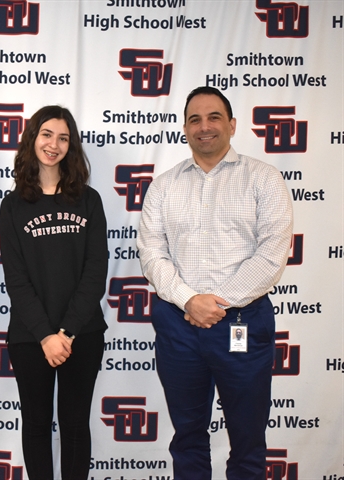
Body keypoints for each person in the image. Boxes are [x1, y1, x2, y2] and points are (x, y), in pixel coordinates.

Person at [138, 86, 293, 479]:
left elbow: (272, 254)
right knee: (187, 437)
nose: (204, 127)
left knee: (247, 439)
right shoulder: (164, 186)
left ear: (232, 125)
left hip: (244, 322)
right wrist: (190, 301)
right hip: (178, 326)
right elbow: (152, 254)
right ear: (185, 129)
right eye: (194, 119)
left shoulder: (264, 178)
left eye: (213, 117)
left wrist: (215, 303)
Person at [0, 105, 108, 480]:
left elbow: (96, 272)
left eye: (63, 138)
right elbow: (16, 279)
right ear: (33, 139)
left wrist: (66, 333)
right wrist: (46, 334)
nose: (54, 144)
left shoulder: (89, 200)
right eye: (47, 134)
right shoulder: (13, 205)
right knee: (36, 425)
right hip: (31, 338)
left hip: (83, 334)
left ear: (71, 146)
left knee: (76, 426)